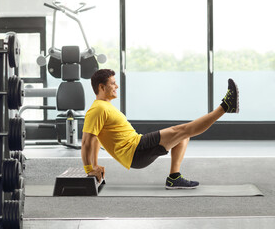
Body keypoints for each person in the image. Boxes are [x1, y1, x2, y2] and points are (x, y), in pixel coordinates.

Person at [81, 69, 239, 189]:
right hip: (136, 150)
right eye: (112, 83)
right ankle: (225, 106)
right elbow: (87, 141)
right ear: (101, 87)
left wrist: (95, 165)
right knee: (183, 130)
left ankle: (174, 178)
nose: (117, 86)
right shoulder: (98, 109)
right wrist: (89, 168)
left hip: (137, 147)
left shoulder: (104, 106)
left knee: (182, 136)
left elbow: (96, 138)